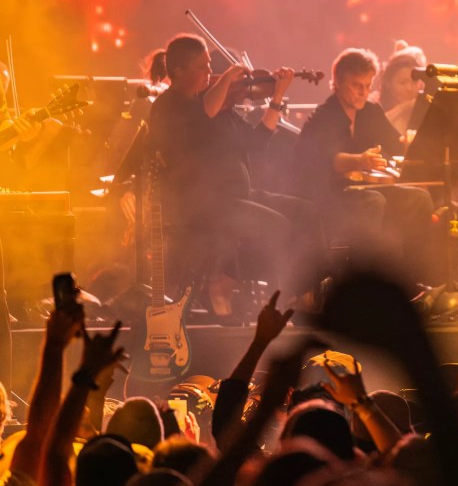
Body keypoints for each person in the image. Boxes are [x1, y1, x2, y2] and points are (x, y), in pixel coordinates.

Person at [148, 35, 324, 311]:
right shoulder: (171, 107)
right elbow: (201, 116)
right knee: (276, 226)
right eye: (202, 67)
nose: (209, 73)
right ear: (179, 72)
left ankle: (305, 293)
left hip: (238, 195)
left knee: (306, 213)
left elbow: (256, 141)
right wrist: (228, 77)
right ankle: (248, 288)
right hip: (203, 203)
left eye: (209, 66)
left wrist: (277, 97)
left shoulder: (215, 108)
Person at [293, 48, 437, 286]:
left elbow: (395, 144)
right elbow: (332, 159)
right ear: (338, 83)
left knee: (418, 198)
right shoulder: (324, 116)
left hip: (364, 191)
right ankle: (362, 282)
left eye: (368, 85)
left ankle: (412, 280)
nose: (363, 92)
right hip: (327, 197)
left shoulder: (370, 111)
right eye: (356, 85)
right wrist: (360, 160)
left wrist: (410, 143)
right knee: (373, 202)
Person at [376, 43, 428, 135]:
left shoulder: (425, 114)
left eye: (414, 82)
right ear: (388, 83)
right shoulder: (374, 109)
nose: (409, 88)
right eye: (402, 82)